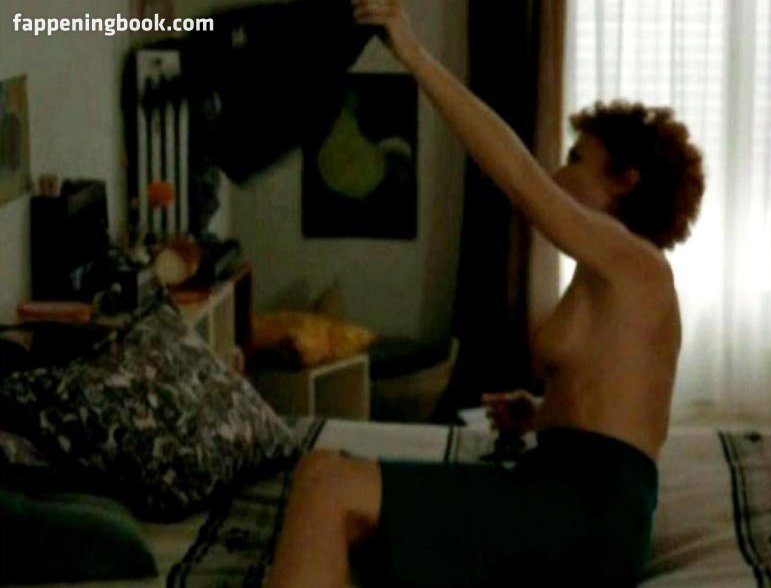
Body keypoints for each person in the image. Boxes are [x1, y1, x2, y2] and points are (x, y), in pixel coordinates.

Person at [268, 1, 704, 586]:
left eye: (576, 159)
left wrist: (415, 57)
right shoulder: (612, 273)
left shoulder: (635, 261)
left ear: (626, 181)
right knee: (337, 500)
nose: (557, 173)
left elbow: (520, 178)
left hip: (585, 511)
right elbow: (623, 409)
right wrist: (543, 415)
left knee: (326, 483)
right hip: (572, 497)